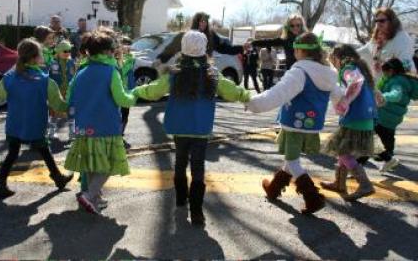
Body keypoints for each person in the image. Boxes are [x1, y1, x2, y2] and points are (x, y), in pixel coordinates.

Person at [133, 30, 251, 226]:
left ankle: (181, 199)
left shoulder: (174, 73)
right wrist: (247, 96)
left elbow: (153, 91)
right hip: (201, 128)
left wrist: (137, 90)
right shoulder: (212, 74)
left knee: (180, 162)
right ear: (204, 50)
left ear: (183, 50)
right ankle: (196, 211)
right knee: (198, 167)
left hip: (179, 127)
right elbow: (232, 92)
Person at [246, 32, 342, 214]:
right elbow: (339, 97)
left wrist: (253, 104)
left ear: (299, 50)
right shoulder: (328, 73)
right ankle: (274, 188)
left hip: (293, 123)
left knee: (292, 159)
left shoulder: (300, 72)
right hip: (312, 124)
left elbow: (277, 93)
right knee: (291, 160)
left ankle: (312, 197)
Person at [64, 32, 137, 215]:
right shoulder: (110, 72)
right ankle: (89, 195)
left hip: (83, 127)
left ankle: (94, 197)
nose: (115, 52)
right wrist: (135, 95)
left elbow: (69, 98)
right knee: (107, 165)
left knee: (91, 164)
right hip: (106, 126)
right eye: (113, 49)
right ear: (107, 52)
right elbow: (122, 99)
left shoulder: (81, 71)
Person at [0, 38, 73, 199]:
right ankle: (58, 178)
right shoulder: (45, 81)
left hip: (14, 124)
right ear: (36, 57)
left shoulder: (9, 77)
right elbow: (59, 105)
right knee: (44, 150)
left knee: (12, 154)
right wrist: (74, 103)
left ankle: (1, 183)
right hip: (35, 125)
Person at [321, 45, 376, 201]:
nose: (335, 65)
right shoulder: (361, 68)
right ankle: (339, 183)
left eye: (333, 61)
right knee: (344, 151)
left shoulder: (348, 68)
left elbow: (355, 83)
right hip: (364, 118)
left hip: (355, 118)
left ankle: (365, 184)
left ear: (339, 58)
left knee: (343, 152)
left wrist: (344, 101)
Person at [374, 58, 418, 173]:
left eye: (385, 72)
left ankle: (357, 166)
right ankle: (389, 159)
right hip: (392, 117)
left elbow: (396, 95)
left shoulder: (397, 81)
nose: (384, 74)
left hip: (384, 115)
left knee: (369, 139)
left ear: (392, 70)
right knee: (387, 138)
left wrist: (383, 97)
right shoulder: (401, 79)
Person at [358, 7, 416, 78]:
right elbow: (366, 49)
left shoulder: (401, 39)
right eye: (376, 21)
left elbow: (407, 67)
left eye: (382, 21)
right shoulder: (378, 37)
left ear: (392, 21)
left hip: (395, 83)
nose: (378, 24)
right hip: (379, 82)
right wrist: (349, 53)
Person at [48, 40, 76, 140]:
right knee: (54, 112)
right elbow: (49, 77)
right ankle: (51, 132)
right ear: (58, 51)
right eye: (65, 51)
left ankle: (72, 132)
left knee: (71, 111)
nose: (67, 53)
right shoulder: (52, 63)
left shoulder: (72, 62)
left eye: (69, 50)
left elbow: (75, 75)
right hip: (56, 92)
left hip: (69, 91)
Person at [115, 36, 135, 149]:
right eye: (124, 44)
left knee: (125, 114)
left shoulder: (130, 59)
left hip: (127, 91)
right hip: (119, 90)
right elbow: (122, 70)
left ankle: (121, 133)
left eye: (128, 44)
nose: (126, 46)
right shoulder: (118, 59)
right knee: (118, 113)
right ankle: (117, 134)